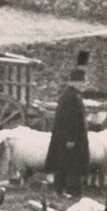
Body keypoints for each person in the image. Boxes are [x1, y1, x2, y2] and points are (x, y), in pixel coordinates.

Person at [46, 70, 90, 199]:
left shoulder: (72, 94)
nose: (84, 84)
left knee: (64, 164)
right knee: (72, 166)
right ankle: (73, 193)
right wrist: (70, 139)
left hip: (69, 138)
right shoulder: (71, 97)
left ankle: (60, 191)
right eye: (82, 81)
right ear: (74, 82)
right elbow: (70, 119)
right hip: (71, 139)